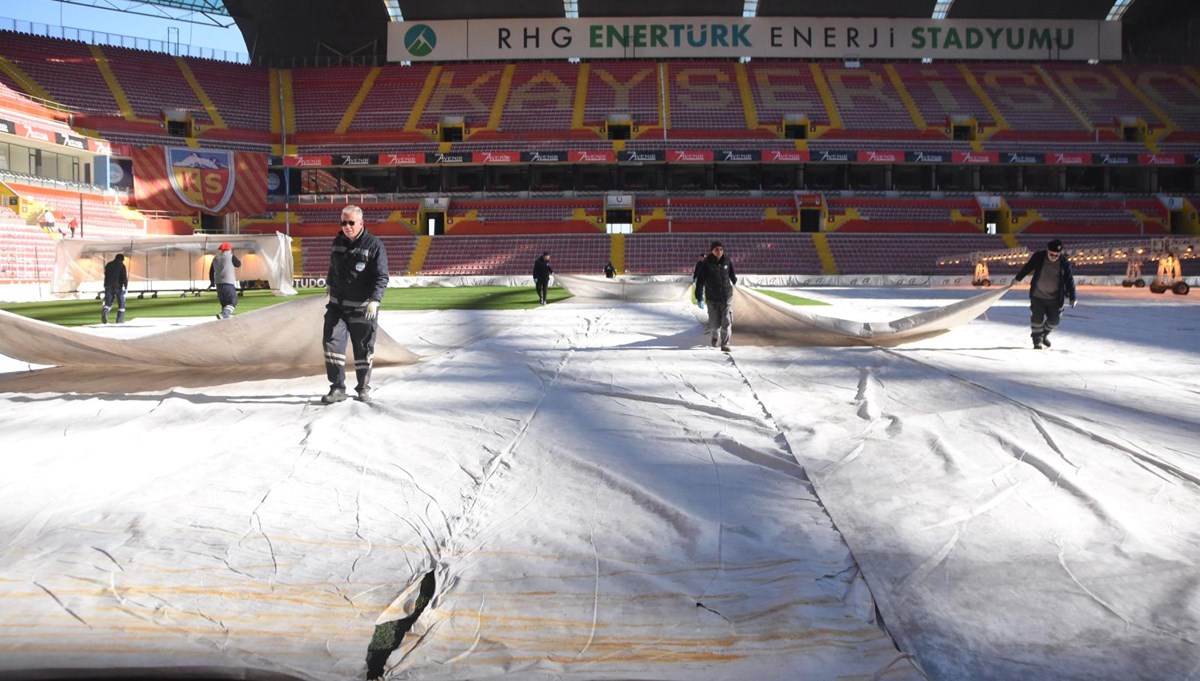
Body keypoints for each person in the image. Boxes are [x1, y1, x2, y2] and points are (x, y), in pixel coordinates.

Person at [321, 205, 389, 404]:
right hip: (337, 307)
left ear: (361, 223)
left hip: (362, 308)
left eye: (351, 223)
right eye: (344, 222)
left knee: (363, 349)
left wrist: (375, 300)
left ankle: (363, 388)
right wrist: (329, 283)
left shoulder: (374, 245)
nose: (347, 226)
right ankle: (337, 388)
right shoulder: (337, 242)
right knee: (331, 345)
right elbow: (333, 267)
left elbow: (382, 276)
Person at [1014, 238, 1077, 350]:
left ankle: (1044, 334)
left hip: (1055, 298)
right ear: (1047, 250)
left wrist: (1073, 297)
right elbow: (1028, 267)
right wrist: (1018, 278)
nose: (1053, 257)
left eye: (1056, 255)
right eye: (1051, 254)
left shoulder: (1064, 262)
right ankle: (1037, 341)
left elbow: (1069, 280)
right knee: (1037, 319)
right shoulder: (1039, 256)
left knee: (1055, 320)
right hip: (1037, 295)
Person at [694, 241, 737, 352]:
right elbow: (700, 282)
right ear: (712, 251)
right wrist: (699, 297)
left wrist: (734, 280)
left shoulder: (727, 260)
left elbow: (731, 273)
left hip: (726, 296)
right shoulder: (706, 264)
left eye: (721, 249)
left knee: (726, 321)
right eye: (716, 249)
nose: (719, 251)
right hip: (712, 298)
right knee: (714, 324)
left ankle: (725, 344)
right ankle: (714, 336)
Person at [208, 242, 242, 320]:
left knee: (224, 304)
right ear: (229, 249)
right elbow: (238, 264)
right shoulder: (230, 256)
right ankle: (224, 314)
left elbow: (211, 272)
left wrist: (212, 282)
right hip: (228, 282)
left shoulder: (215, 258)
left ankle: (225, 319)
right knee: (233, 302)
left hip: (218, 284)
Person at [101, 253, 127, 324]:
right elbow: (124, 277)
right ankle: (119, 319)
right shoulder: (122, 265)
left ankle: (105, 311)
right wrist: (126, 287)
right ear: (122, 259)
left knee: (108, 301)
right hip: (118, 286)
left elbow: (106, 274)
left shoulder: (108, 264)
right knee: (121, 302)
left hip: (108, 285)